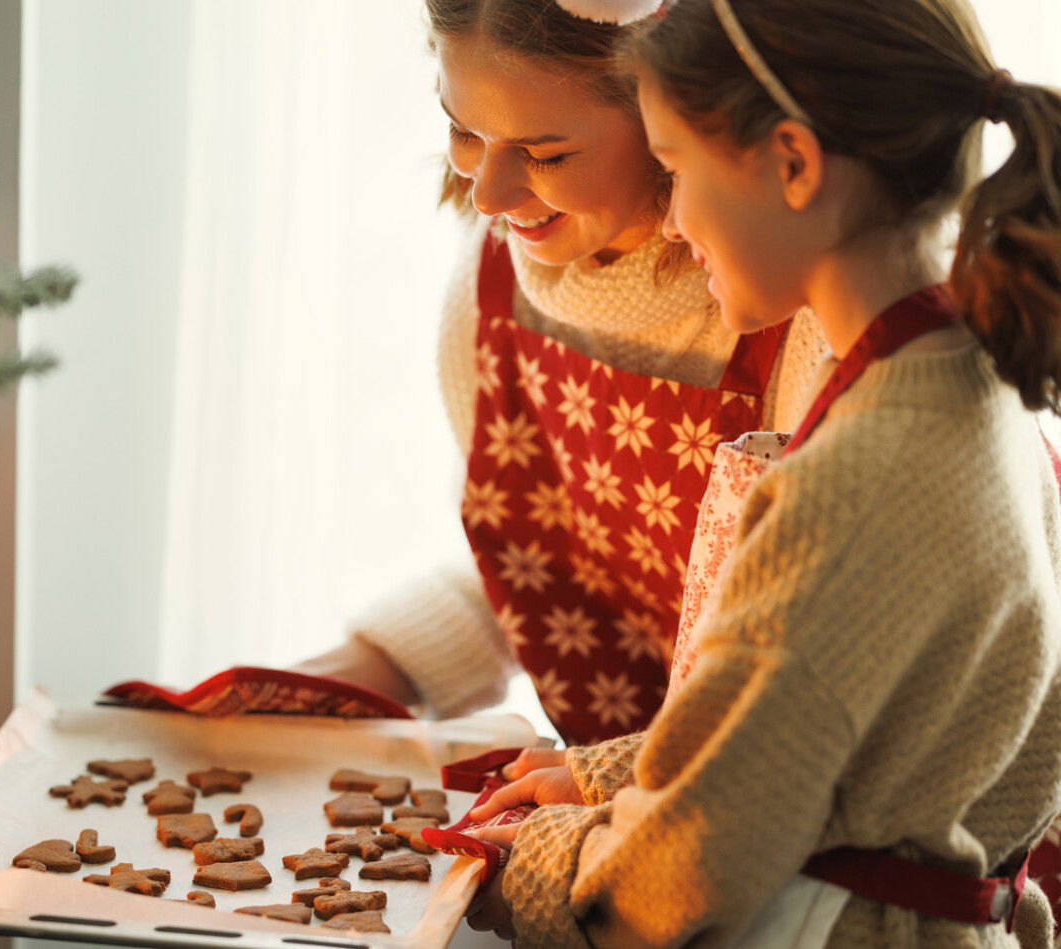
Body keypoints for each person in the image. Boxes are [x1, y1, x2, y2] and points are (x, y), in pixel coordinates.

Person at [462, 0, 1061, 944]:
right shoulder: (974, 381)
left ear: (793, 163)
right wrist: (614, 776)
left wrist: (530, 865)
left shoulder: (856, 478)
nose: (676, 217)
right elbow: (833, 731)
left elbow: (686, 874)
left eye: (677, 170)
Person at [294, 0, 829, 747]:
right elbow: (542, 570)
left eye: (544, 154)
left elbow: (828, 672)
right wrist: (360, 668)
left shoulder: (799, 313)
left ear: (675, 120)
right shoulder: (491, 279)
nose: (488, 195)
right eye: (463, 131)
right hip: (640, 794)